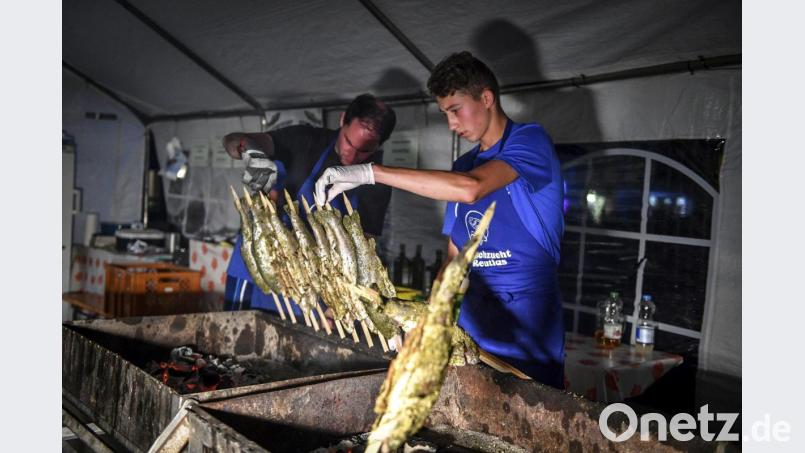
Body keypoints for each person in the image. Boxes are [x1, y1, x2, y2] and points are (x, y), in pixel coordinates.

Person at [315, 52, 565, 388]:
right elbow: (453, 259)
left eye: (455, 110)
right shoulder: (462, 166)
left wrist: (372, 172)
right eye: (445, 113)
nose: (451, 125)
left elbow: (472, 189)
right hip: (473, 321)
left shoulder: (531, 141)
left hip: (529, 321)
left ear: (487, 98)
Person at [223, 93, 396, 315]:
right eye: (349, 142)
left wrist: (342, 302)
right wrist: (251, 152)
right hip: (256, 269)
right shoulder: (304, 139)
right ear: (342, 120)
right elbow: (233, 141)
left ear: (380, 145)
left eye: (365, 150)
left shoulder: (377, 182)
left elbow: (364, 249)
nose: (352, 156)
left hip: (312, 288)